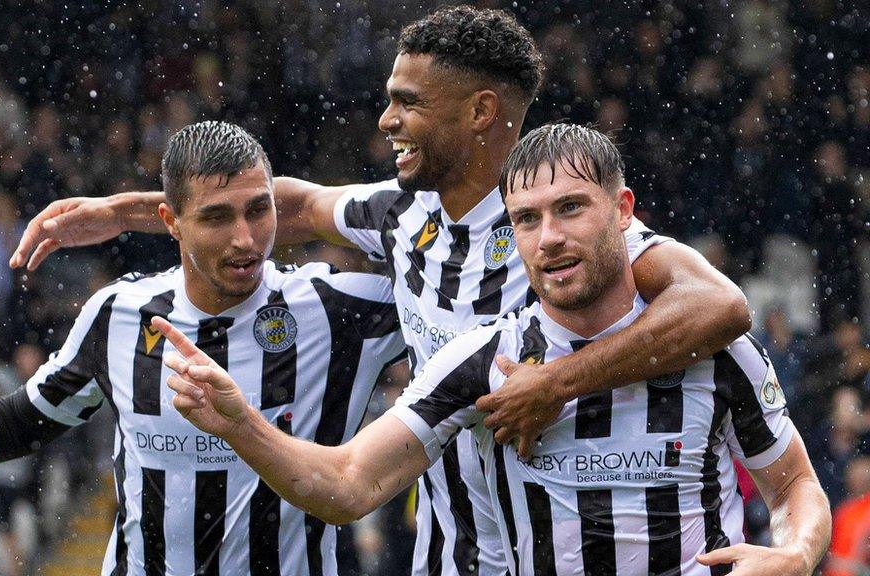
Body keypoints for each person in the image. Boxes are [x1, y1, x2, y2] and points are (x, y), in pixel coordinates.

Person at [9, 7, 751, 575]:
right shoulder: (402, 216)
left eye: (408, 102)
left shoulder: (557, 230)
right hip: (446, 552)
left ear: (481, 112)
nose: (386, 119)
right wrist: (125, 214)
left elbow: (721, 306)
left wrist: (555, 383)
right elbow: (290, 204)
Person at [156, 124, 831, 576]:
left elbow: (796, 484)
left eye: (570, 209)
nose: (549, 239)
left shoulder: (714, 349)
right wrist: (241, 423)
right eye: (527, 220)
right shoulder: (482, 362)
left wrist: (796, 554)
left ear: (623, 210)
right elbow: (348, 484)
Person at [0, 121, 406, 576]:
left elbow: (436, 258)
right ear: (171, 223)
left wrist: (120, 211)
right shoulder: (118, 314)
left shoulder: (340, 310)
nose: (245, 238)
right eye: (216, 217)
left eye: (259, 210)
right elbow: (29, 416)